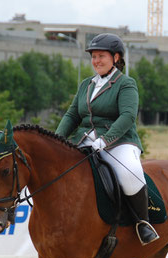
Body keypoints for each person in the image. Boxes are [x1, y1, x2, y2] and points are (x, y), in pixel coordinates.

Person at [55, 33, 159, 245]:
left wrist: (106, 140)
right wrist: (56, 141)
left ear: (116, 57)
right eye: (93, 56)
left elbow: (128, 116)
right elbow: (72, 115)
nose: (96, 61)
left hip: (119, 142)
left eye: (101, 56)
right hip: (84, 140)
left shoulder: (125, 83)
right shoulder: (86, 84)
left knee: (129, 173)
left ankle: (142, 223)